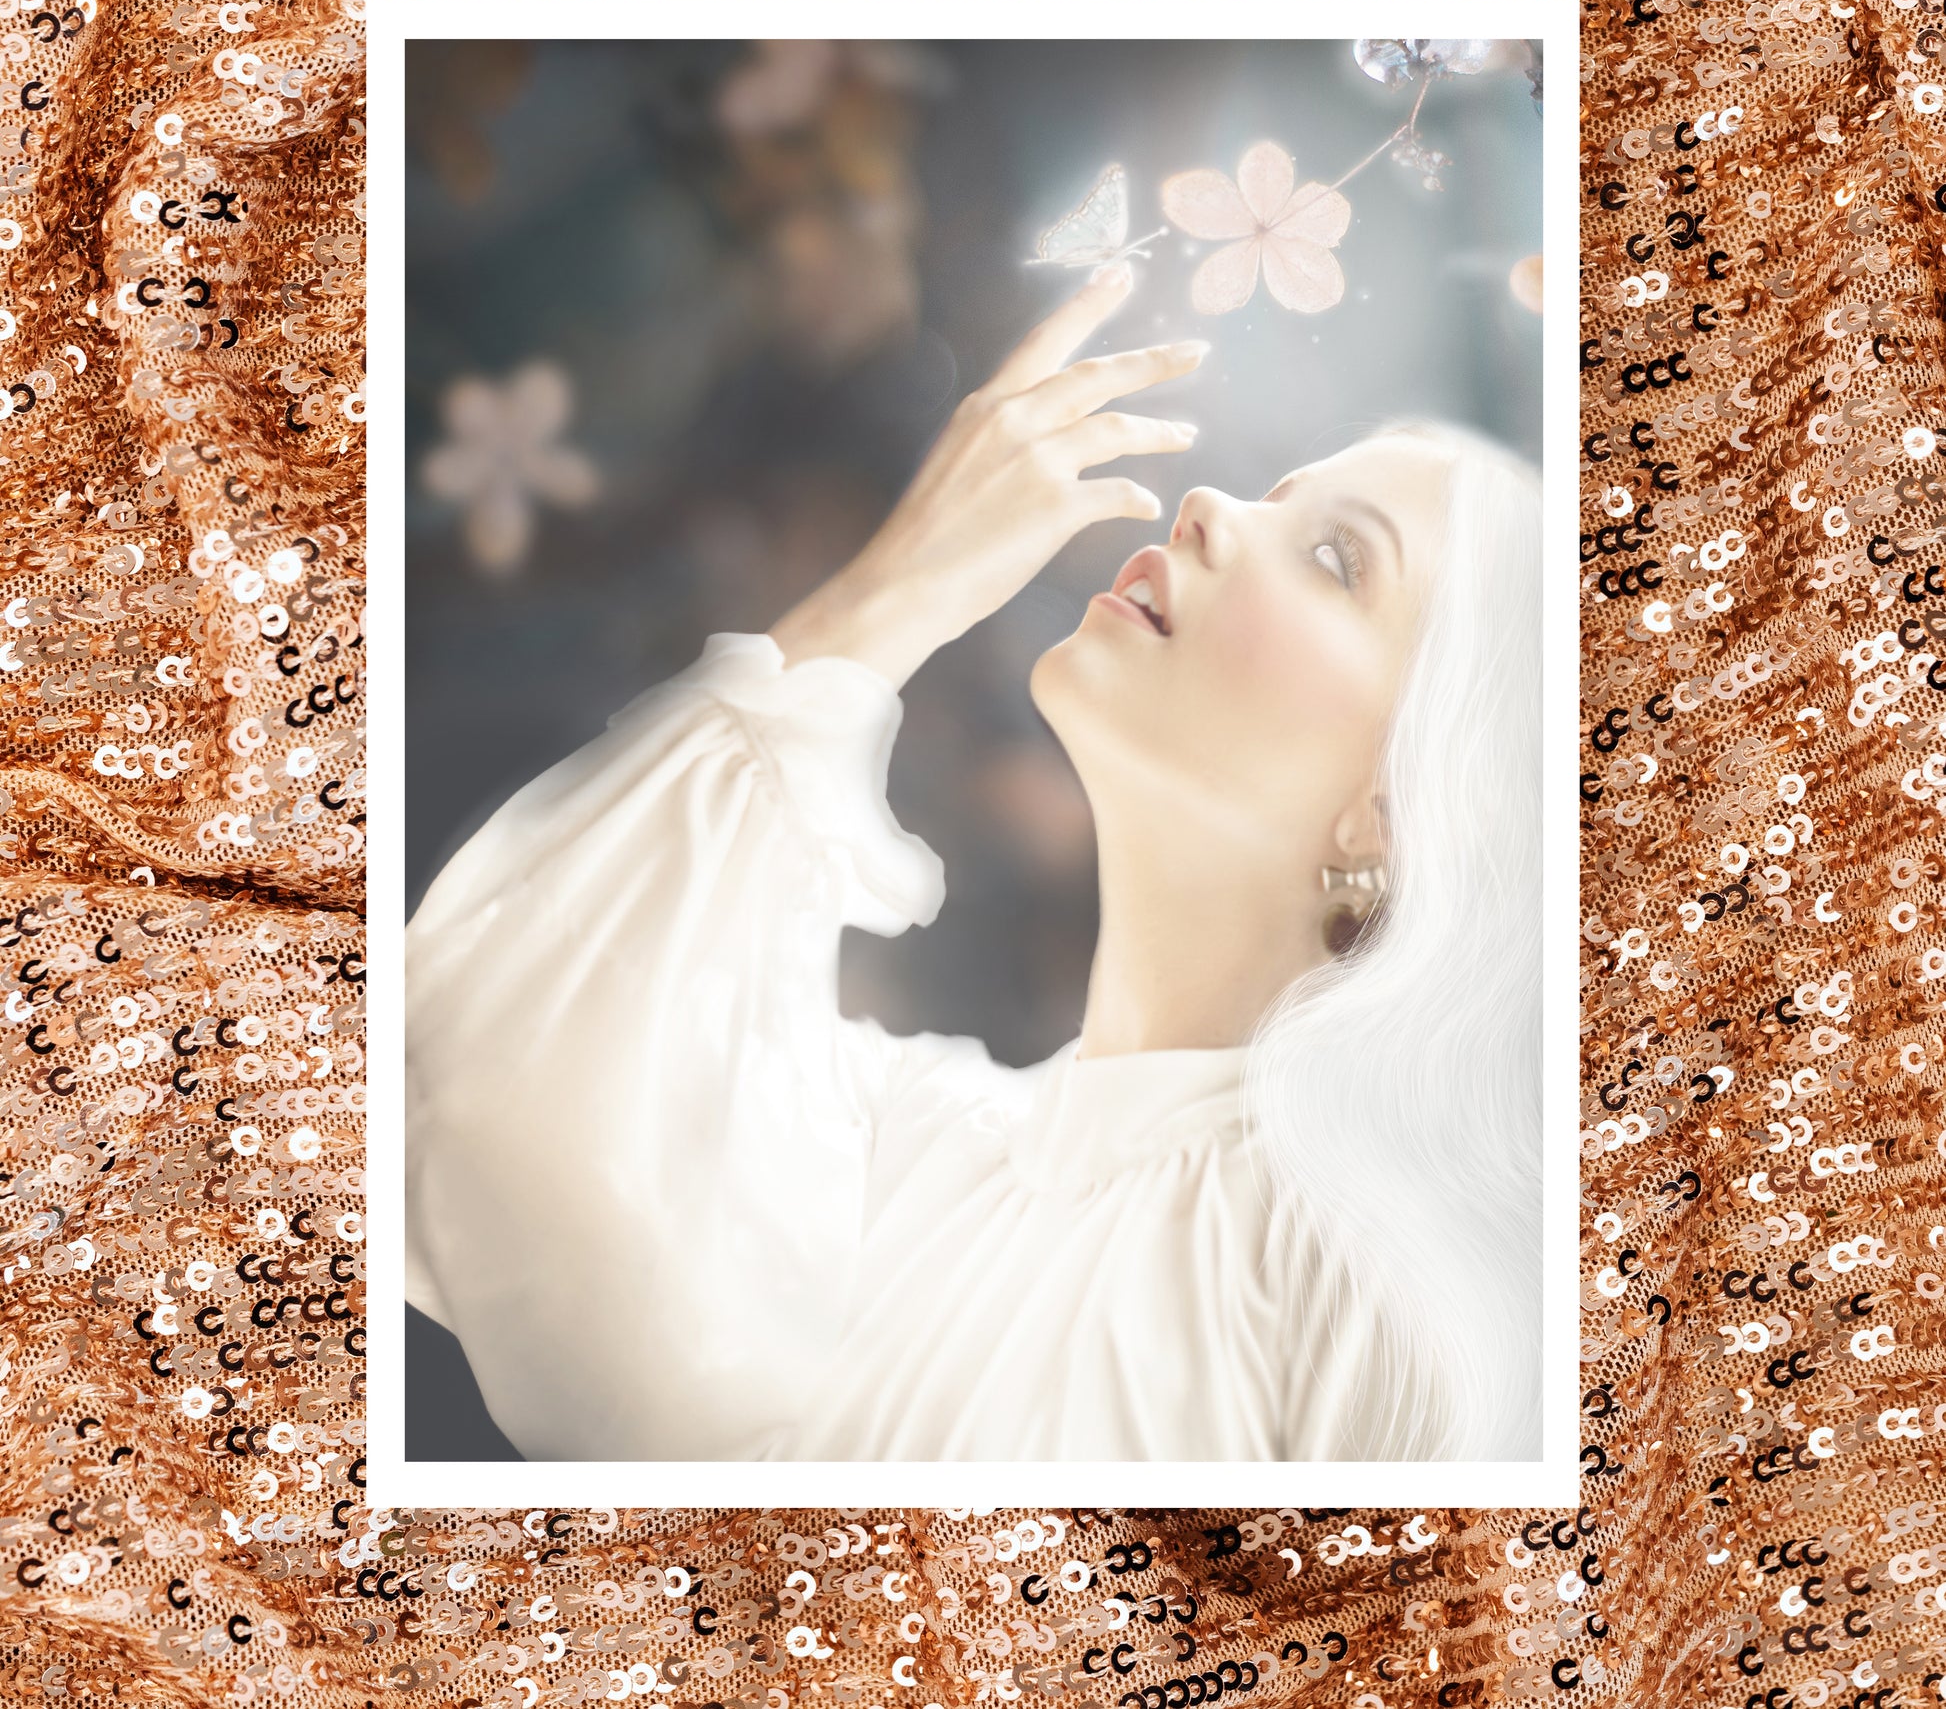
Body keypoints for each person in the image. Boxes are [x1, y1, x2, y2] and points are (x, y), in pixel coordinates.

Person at [403, 260, 1542, 1461]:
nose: (1209, 503)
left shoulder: (1379, 1285)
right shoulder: (900, 1141)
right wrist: (903, 583)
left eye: (1335, 559)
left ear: (1399, 808)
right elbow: (481, 1062)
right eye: (1271, 491)